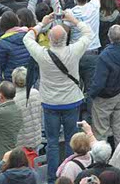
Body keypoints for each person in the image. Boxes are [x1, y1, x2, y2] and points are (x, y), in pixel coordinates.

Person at [23, 11, 91, 184]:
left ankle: (53, 178)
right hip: (71, 101)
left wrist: (42, 23)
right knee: (70, 140)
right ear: (66, 38)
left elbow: (27, 39)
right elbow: (88, 33)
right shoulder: (74, 51)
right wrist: (74, 20)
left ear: (49, 38)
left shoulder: (42, 54)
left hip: (50, 103)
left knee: (52, 142)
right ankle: (68, 176)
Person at [88, 24, 120, 145]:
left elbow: (99, 82)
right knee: (119, 130)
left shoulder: (104, 56)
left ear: (109, 37)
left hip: (104, 98)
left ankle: (102, 155)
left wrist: (91, 94)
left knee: (101, 131)